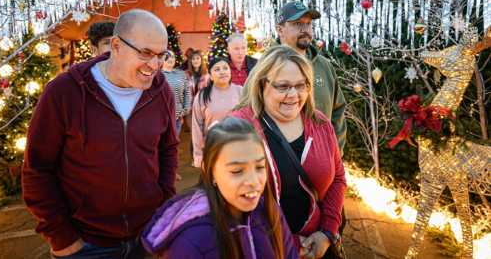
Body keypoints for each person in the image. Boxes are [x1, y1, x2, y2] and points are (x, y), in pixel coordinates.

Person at [22, 9, 179, 259]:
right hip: (86, 244)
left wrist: (163, 204)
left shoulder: (161, 92)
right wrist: (62, 238)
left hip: (147, 236)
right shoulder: (65, 92)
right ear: (116, 46)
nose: (155, 65)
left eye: (161, 55)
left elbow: (167, 148)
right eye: (145, 53)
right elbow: (37, 170)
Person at [231, 45, 346, 259]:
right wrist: (289, 243)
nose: (293, 95)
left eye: (301, 86)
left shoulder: (320, 123)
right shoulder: (238, 127)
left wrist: (327, 231)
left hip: (318, 244)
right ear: (262, 84)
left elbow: (337, 178)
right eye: (283, 86)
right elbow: (231, 202)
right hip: (263, 249)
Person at [141, 117, 298, 259]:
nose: (253, 181)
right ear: (209, 171)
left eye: (259, 167)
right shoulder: (191, 241)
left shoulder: (270, 211)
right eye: (237, 171)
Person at [275, 1, 347, 153]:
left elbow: (338, 111)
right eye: (298, 24)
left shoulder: (324, 66)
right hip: (280, 165)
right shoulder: (266, 67)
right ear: (280, 30)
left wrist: (334, 154)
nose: (305, 29)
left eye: (308, 24)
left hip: (322, 164)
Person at [191, 57, 242, 168]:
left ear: (230, 71)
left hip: (238, 145)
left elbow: (250, 120)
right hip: (213, 147)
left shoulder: (240, 91)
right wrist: (198, 154)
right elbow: (196, 127)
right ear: (210, 75)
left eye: (225, 68)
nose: (222, 72)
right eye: (217, 69)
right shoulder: (202, 96)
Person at [162, 50, 191, 134]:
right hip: (161, 117)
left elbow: (187, 92)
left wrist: (185, 110)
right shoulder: (157, 75)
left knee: (173, 144)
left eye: (173, 56)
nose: (171, 58)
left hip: (177, 117)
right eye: (167, 56)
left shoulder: (181, 74)